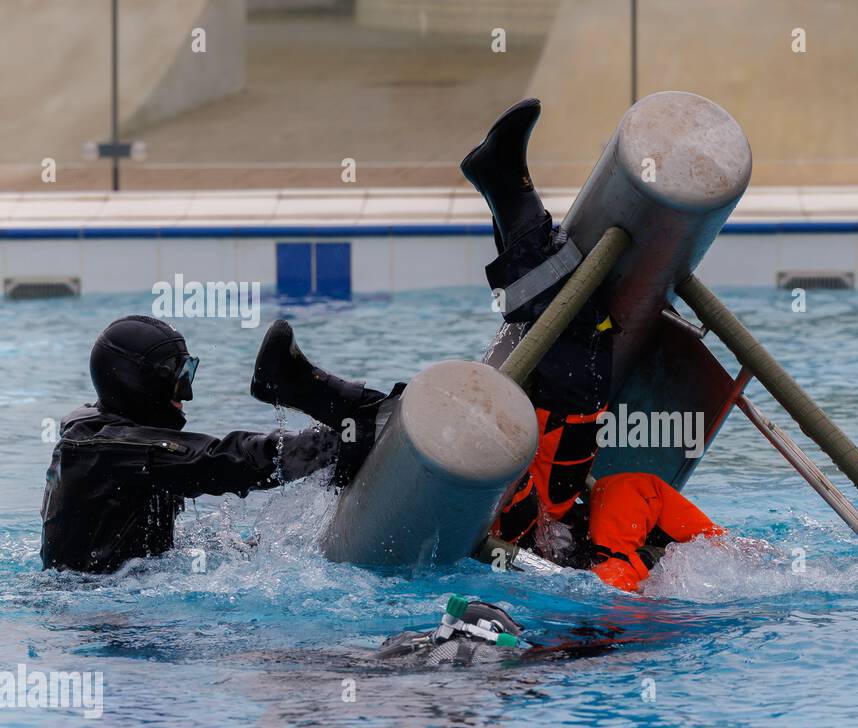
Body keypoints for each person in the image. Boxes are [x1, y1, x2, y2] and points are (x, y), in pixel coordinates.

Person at [460, 100, 724, 590]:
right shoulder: (635, 537)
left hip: (533, 530)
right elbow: (722, 552)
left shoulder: (620, 571)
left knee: (579, 340)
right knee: (578, 339)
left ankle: (508, 190)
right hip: (553, 510)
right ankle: (506, 189)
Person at [40, 315, 399, 573]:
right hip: (104, 617)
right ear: (140, 383)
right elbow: (220, 461)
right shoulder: (106, 448)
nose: (187, 393)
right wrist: (334, 444)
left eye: (189, 372)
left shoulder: (99, 429)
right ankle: (349, 406)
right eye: (179, 377)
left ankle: (343, 403)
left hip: (121, 595)